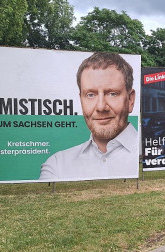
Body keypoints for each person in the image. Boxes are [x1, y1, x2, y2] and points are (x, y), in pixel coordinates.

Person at [39, 52, 138, 181]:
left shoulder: (153, 156)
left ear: (130, 100)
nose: (101, 107)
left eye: (112, 94)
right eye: (90, 95)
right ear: (81, 100)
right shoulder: (57, 165)